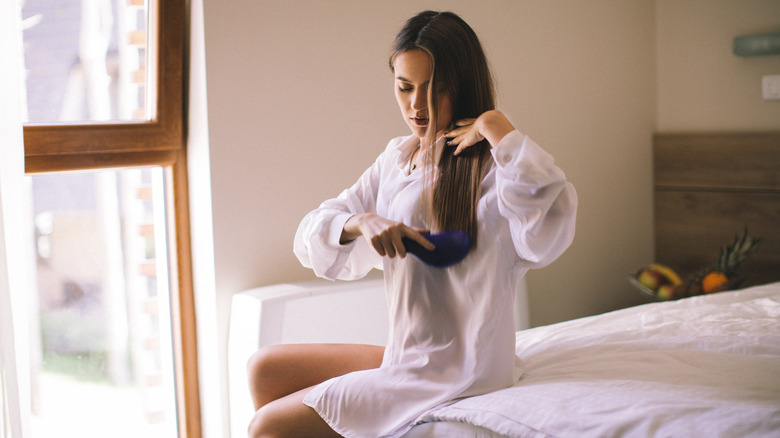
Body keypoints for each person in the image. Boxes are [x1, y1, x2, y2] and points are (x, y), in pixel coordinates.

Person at [246, 10, 577, 438]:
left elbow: (548, 227)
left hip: (459, 375)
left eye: (434, 88)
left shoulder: (496, 171)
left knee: (266, 427)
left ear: (461, 86)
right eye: (404, 88)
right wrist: (358, 221)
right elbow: (311, 234)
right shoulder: (397, 158)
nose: (416, 106)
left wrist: (498, 127)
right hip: (411, 356)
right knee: (264, 369)